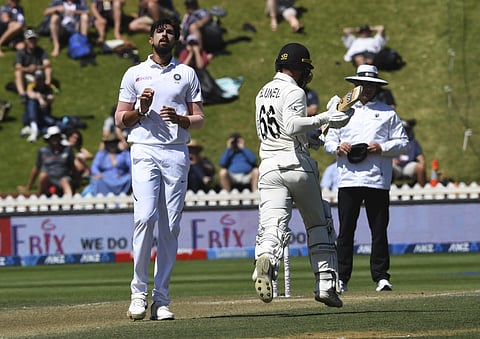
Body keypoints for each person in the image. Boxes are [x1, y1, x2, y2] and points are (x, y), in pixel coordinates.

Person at [114, 17, 204, 321]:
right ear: (150, 39)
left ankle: (161, 300)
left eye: (170, 32)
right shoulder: (135, 74)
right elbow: (119, 118)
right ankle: (138, 294)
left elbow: (199, 118)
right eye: (159, 32)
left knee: (170, 227)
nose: (164, 35)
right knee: (145, 217)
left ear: (176, 40)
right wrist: (140, 109)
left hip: (176, 152)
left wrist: (180, 120)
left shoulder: (186, 73)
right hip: (143, 149)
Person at [252, 42, 353, 307]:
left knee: (272, 226)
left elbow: (283, 130)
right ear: (297, 69)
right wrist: (323, 117)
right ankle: (326, 284)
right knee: (319, 222)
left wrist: (314, 137)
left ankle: (266, 261)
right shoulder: (294, 92)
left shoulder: (263, 91)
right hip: (296, 165)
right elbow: (292, 125)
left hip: (269, 166)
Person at [324, 64, 409, 293]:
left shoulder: (388, 113)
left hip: (377, 180)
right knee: (346, 232)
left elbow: (403, 143)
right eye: (363, 85)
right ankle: (341, 278)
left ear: (377, 87)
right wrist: (338, 147)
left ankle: (381, 277)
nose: (367, 89)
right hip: (349, 179)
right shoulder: (342, 110)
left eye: (372, 85)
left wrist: (382, 147)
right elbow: (329, 140)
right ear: (355, 86)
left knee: (379, 230)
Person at [17, 125, 75, 197]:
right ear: (49, 139)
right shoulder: (43, 151)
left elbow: (72, 167)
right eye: (52, 137)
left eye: (56, 136)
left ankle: (70, 201)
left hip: (63, 177)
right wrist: (28, 186)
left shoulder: (67, 150)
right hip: (49, 178)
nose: (55, 139)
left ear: (59, 138)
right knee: (43, 176)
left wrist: (78, 181)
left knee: (65, 182)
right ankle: (41, 197)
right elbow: (36, 168)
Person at [14, 29, 53, 104]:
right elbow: (17, 67)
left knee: (48, 69)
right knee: (18, 73)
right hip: (27, 75)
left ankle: (47, 88)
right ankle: (23, 95)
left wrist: (37, 67)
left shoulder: (41, 51)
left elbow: (47, 64)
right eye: (30, 39)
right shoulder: (20, 53)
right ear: (25, 41)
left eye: (33, 39)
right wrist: (27, 69)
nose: (32, 41)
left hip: (39, 74)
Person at [22, 69, 57, 142]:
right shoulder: (32, 86)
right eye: (38, 79)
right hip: (29, 115)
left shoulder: (48, 88)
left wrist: (43, 99)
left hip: (43, 114)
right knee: (32, 102)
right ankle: (34, 129)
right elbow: (30, 94)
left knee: (53, 124)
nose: (39, 81)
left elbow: (51, 98)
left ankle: (33, 129)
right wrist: (40, 98)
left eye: (41, 79)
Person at [392, 119, 426, 186]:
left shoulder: (414, 143)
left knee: (420, 168)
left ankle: (423, 190)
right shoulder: (392, 142)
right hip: (395, 166)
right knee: (387, 168)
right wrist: (391, 160)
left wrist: (422, 165)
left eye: (406, 129)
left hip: (409, 166)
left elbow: (421, 160)